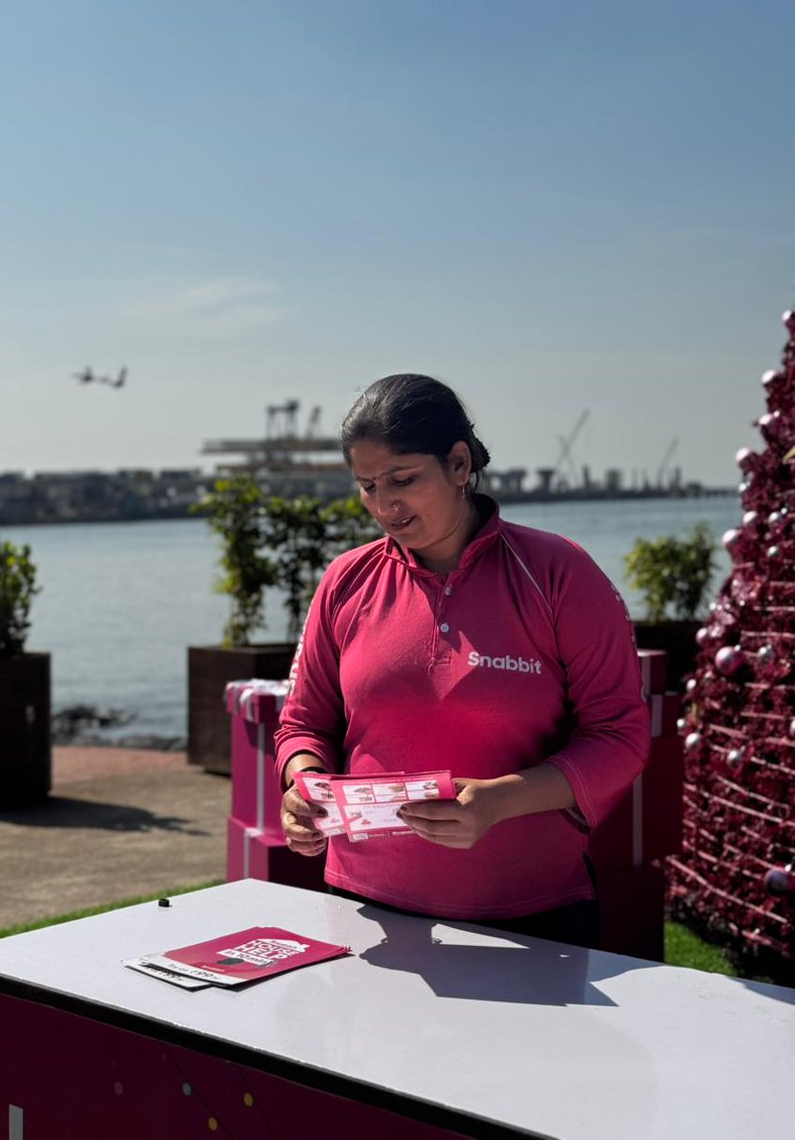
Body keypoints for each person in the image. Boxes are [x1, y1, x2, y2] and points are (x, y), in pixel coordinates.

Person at [274, 374, 650, 948]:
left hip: (533, 912)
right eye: (368, 485)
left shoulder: (558, 573)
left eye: (403, 479)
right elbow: (303, 724)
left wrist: (501, 801)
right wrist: (303, 786)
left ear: (458, 463)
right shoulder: (345, 581)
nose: (384, 504)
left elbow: (620, 735)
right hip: (364, 910)